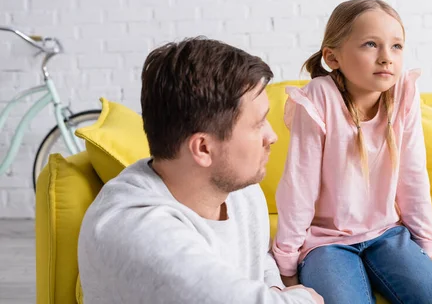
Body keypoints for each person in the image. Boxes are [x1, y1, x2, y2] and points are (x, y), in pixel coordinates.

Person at [78, 37, 323, 304]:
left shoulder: (238, 190)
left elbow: (259, 258)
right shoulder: (139, 234)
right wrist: (306, 297)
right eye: (258, 124)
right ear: (203, 149)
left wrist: (274, 288)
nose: (272, 136)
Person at [272, 0, 432, 304]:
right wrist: (287, 262)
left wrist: (425, 246)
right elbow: (299, 186)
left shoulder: (402, 95)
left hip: (387, 233)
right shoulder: (318, 99)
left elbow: (413, 176)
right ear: (333, 57)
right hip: (325, 243)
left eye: (396, 46)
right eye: (371, 44)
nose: (387, 58)